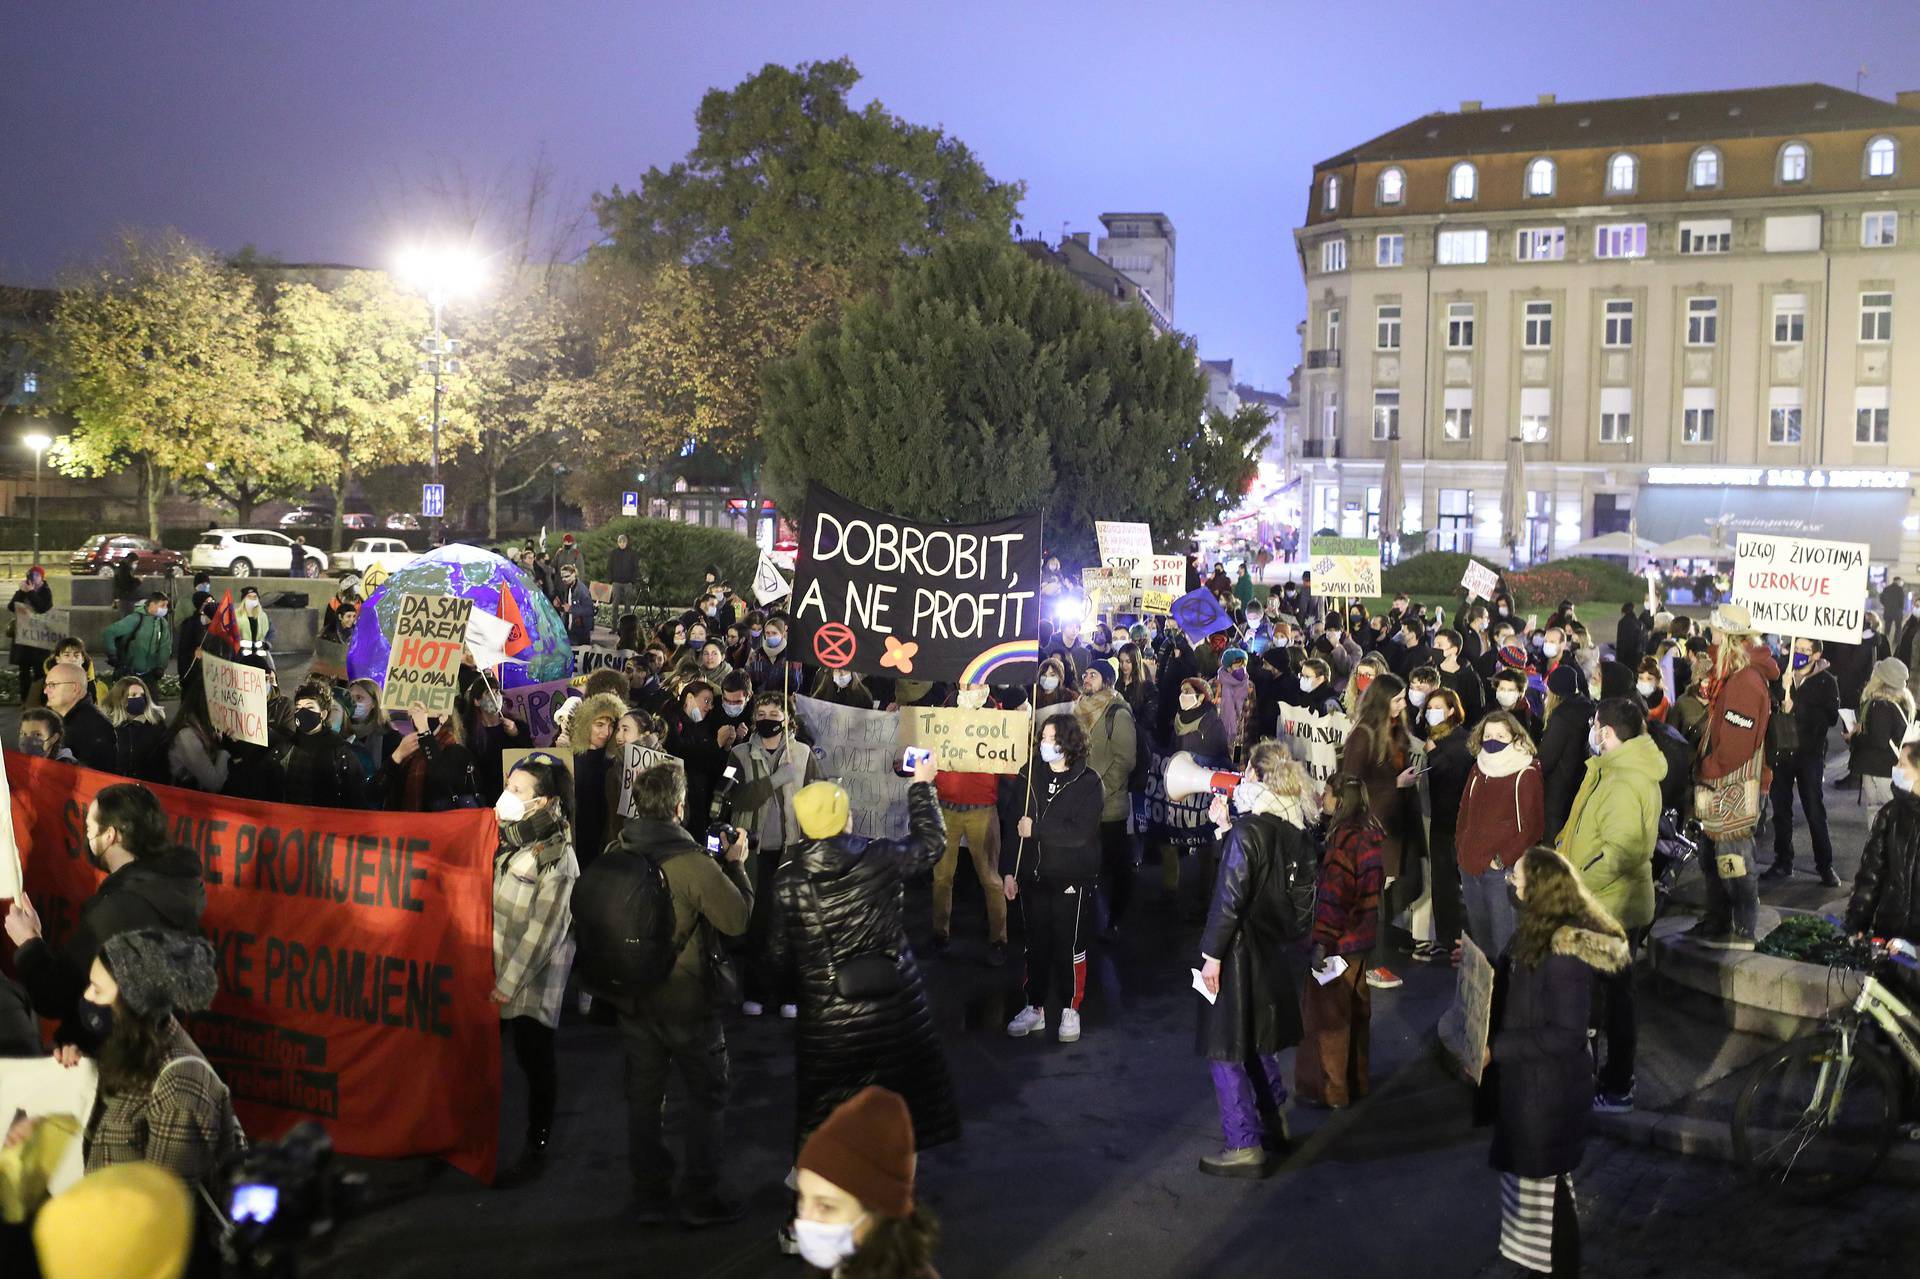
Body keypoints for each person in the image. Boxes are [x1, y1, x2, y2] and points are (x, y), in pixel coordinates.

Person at [769, 761, 960, 1228]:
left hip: (828, 1023)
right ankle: (894, 1212)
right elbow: (932, 845)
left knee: (820, 1117)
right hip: (895, 1010)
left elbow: (775, 956)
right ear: (844, 817)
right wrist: (921, 787)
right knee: (899, 1109)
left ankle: (808, 1222)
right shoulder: (879, 856)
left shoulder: (789, 878)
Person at [606, 761, 754, 1227]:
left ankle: (648, 1192)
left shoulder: (617, 850)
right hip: (686, 999)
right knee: (707, 1095)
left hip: (634, 997)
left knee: (645, 1098)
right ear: (678, 806)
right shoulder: (691, 863)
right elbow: (737, 920)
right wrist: (737, 868)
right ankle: (699, 1195)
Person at [1481, 848, 1629, 1277]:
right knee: (1547, 1195)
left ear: (1540, 890)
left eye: (1520, 880)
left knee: (1549, 1202)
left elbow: (1565, 1035)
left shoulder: (1563, 954)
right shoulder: (1535, 931)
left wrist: (1499, 1049)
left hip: (1547, 1095)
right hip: (1532, 1092)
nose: (1513, 885)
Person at [1194, 745, 1316, 1176]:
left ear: (1255, 776)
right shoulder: (1293, 829)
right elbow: (1297, 907)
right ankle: (1273, 1123)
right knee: (1259, 1039)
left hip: (1238, 954)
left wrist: (1211, 956)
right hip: (1272, 953)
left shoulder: (1250, 832)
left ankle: (1242, 1141)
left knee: (1226, 1047)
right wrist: (1225, 830)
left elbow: (1229, 899)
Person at [1557, 697, 1665, 1115]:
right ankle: (1607, 1080)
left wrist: (1573, 887)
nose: (1591, 730)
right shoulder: (1610, 770)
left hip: (1609, 908)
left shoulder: (1623, 780)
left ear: (1607, 732)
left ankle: (1615, 1085)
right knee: (1608, 997)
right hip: (1605, 903)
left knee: (1607, 1001)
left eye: (1594, 725)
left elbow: (1619, 853)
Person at [68, 930, 244, 1185]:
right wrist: (81, 1070)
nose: (87, 996)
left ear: (132, 1003)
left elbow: (162, 1206)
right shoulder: (133, 1043)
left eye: (97, 990)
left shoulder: (179, 1087)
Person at [491, 754, 580, 1187]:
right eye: (508, 785)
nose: (507, 795)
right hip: (492, 969)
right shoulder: (506, 838)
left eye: (518, 790)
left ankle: (536, 1145)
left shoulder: (557, 858)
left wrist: (506, 985)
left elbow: (544, 934)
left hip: (529, 980)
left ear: (543, 802)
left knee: (534, 1060)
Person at [1000, 716, 1104, 1044]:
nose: (1044, 743)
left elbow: (1081, 833)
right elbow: (1014, 827)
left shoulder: (1088, 782)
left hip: (1071, 875)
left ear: (1069, 743)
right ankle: (1036, 1006)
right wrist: (1009, 871)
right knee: (1036, 943)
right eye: (1043, 737)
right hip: (1033, 873)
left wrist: (1038, 830)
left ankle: (1071, 1007)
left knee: (1069, 944)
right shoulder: (1028, 775)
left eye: (1051, 738)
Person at [1684, 606, 1778, 951]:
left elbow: (1736, 747)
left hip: (1732, 782)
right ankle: (1717, 920)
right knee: (1712, 858)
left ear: (1730, 638)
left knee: (1733, 862)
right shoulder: (1731, 674)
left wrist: (1707, 767)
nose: (1710, 637)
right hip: (1719, 781)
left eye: (1715, 633)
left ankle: (1743, 927)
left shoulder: (1745, 683)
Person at [730, 693, 822, 1016]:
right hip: (753, 854)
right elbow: (735, 799)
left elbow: (818, 799)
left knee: (789, 925)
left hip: (791, 852)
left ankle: (789, 995)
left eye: (775, 712)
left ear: (788, 719)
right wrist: (777, 779)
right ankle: (754, 992)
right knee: (756, 925)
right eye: (763, 712)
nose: (768, 717)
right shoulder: (739, 754)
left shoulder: (803, 754)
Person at [1296, 773, 1383, 1110]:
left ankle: (1331, 1091)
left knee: (1328, 1022)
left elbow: (1334, 899)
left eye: (1328, 793)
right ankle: (1357, 1082)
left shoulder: (1344, 842)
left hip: (1339, 946)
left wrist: (1321, 942)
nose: (1322, 797)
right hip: (1361, 943)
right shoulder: (1369, 835)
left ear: (1340, 801)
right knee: (1358, 1016)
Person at [791, 1086, 942, 1279]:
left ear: (878, 1213)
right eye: (802, 1199)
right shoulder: (842, 1260)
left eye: (826, 1207)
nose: (804, 1220)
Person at [1338, 673, 1421, 990]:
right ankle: (1365, 964)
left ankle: (1358, 957)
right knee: (1369, 903)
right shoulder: (1364, 734)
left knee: (1381, 896)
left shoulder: (1393, 729)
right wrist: (1394, 783)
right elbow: (1351, 783)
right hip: (1371, 828)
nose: (1403, 704)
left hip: (1391, 826)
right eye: (1397, 699)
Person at [1455, 711, 1546, 962]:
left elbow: (1533, 826)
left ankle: (1507, 996)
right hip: (1470, 866)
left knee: (1505, 943)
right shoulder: (1478, 767)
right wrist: (1461, 848)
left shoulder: (1524, 772)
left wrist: (1501, 859)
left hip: (1499, 871)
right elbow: (1464, 810)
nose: (1492, 740)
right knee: (1481, 941)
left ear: (1515, 737)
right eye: (1488, 735)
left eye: (1500, 735)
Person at [931, 683, 1006, 965]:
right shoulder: (946, 706)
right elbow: (929, 743)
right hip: (946, 807)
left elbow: (1008, 760)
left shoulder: (996, 713)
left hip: (982, 809)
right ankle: (940, 934)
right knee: (941, 877)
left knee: (990, 878)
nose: (970, 685)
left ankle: (999, 940)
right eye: (965, 680)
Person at [1764, 637, 1842, 886]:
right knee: (1780, 810)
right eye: (1796, 649)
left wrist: (1796, 707)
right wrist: (1780, 691)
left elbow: (1829, 718)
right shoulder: (1782, 675)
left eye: (1805, 650)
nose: (1799, 654)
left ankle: (1825, 865)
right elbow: (1769, 704)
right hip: (1782, 751)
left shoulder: (1827, 681)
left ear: (1816, 655)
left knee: (1814, 810)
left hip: (1809, 754)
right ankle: (1782, 861)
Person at [1075, 659, 1138, 941]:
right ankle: (1089, 915)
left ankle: (1116, 918)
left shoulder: (1117, 714)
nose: (1087, 678)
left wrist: (1099, 791)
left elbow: (1125, 761)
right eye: (1086, 673)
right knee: (1088, 863)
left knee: (1116, 864)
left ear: (1108, 681)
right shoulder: (1079, 708)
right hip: (1082, 805)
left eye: (1094, 674)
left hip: (1109, 807)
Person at [1846, 742, 1920, 965]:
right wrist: (1858, 921)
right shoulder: (1890, 814)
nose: (1895, 768)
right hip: (1888, 933)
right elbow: (1871, 875)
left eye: (1902, 764)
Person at [1423, 686, 1474, 965]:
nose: (1432, 713)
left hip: (1453, 822)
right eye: (1429, 708)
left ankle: (1454, 940)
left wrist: (1432, 755)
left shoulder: (1457, 742)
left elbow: (1448, 774)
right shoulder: (1437, 739)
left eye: (1438, 707)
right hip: (1442, 820)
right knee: (1443, 884)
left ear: (1452, 710)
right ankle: (1446, 939)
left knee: (1451, 885)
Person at [279, 678, 373, 810]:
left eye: (309, 707)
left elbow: (356, 798)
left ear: (323, 714)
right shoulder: (286, 746)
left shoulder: (340, 752)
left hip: (323, 826)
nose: (302, 712)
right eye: (298, 708)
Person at [386, 702, 484, 812]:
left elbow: (442, 781)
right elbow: (373, 793)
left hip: (439, 826)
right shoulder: (408, 751)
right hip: (407, 825)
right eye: (416, 711)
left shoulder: (457, 751)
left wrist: (425, 732)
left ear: (443, 717)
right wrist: (397, 756)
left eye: (426, 711)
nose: (418, 716)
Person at [1536, 665, 1594, 844]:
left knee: (1551, 842)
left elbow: (1546, 759)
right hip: (1578, 784)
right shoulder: (1587, 707)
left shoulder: (1561, 717)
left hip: (1557, 791)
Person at [570, 692, 627, 870]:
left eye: (611, 726)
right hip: (575, 842)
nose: (606, 732)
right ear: (586, 724)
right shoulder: (569, 759)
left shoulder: (615, 763)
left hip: (605, 843)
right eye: (599, 725)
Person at [1848, 657, 1914, 810]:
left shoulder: (1881, 704)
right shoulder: (1904, 700)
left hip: (1879, 768)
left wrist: (1855, 737)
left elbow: (1879, 741)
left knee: (1879, 812)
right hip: (1896, 766)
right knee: (1895, 811)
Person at [43, 661, 116, 772]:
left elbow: (97, 778)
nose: (45, 691)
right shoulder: (47, 718)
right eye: (46, 685)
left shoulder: (96, 728)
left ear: (74, 688)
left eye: (52, 685)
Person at [101, 593, 173, 684]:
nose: (165, 608)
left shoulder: (162, 623)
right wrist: (112, 655)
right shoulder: (135, 619)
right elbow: (109, 632)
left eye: (166, 605)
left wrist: (161, 667)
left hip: (150, 674)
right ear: (152, 604)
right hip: (130, 672)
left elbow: (165, 647)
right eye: (162, 605)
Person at [10, 565, 54, 705]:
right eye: (30, 576)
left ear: (42, 577)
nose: (33, 579)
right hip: (24, 639)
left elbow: (42, 608)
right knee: (24, 671)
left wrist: (30, 593)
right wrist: (21, 593)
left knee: (40, 671)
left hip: (39, 640)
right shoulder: (24, 590)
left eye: (36, 576)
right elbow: (12, 606)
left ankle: (39, 700)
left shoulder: (46, 591)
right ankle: (25, 700)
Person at [554, 564, 596, 648]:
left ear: (574, 574)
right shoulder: (568, 587)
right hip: (570, 630)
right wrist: (560, 607)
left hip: (580, 632)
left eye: (567, 576)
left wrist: (571, 609)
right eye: (562, 577)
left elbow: (589, 610)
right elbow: (568, 608)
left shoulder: (582, 590)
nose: (564, 579)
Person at [236, 587, 272, 669]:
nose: (252, 599)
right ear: (244, 599)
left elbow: (270, 632)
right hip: (242, 656)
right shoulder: (236, 615)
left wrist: (267, 643)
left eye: (255, 597)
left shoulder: (263, 616)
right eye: (249, 597)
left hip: (260, 657)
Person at [607, 531, 640, 610]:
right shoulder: (613, 553)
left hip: (628, 583)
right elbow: (609, 567)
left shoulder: (632, 553)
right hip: (616, 583)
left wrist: (632, 581)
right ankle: (614, 622)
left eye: (623, 542)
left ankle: (627, 621)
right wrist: (611, 580)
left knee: (628, 604)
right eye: (620, 542)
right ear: (618, 543)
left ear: (626, 542)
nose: (622, 544)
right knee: (615, 603)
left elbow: (635, 568)